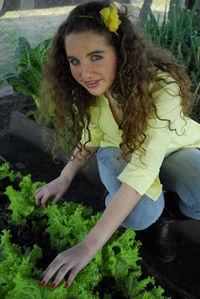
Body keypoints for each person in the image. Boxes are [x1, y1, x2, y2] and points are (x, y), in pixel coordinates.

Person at [35, 0, 200, 290]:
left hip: (174, 151)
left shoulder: (162, 87)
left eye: (95, 56)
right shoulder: (91, 93)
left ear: (121, 51)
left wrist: (88, 246)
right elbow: (90, 137)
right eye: (74, 61)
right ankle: (139, 211)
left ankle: (161, 218)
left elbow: (145, 167)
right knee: (140, 213)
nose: (84, 73)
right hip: (118, 151)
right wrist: (64, 177)